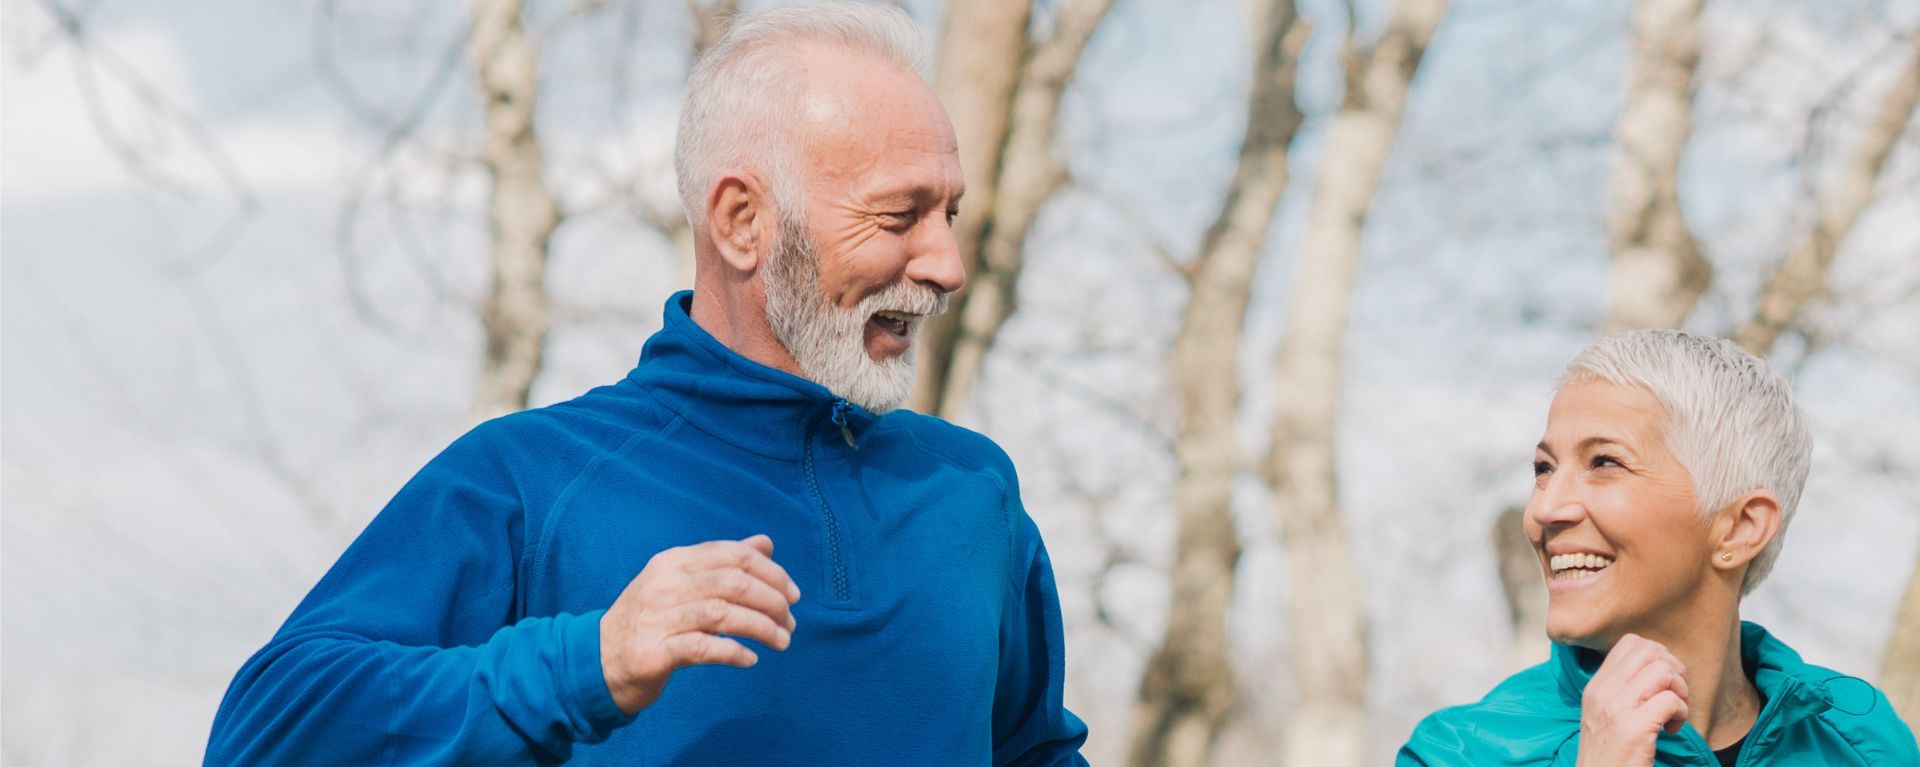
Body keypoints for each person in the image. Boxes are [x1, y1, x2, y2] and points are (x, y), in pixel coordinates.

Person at [203, 4, 1089, 765]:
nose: (947, 263)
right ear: (742, 221)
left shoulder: (973, 492)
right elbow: (264, 732)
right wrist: (589, 662)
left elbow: (1035, 751)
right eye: (901, 215)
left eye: (951, 214)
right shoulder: (531, 480)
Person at [1398, 330, 1918, 766]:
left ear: (1739, 528)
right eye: (1543, 469)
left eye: (1604, 462)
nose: (1545, 509)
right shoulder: (1456, 754)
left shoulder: (1861, 738)